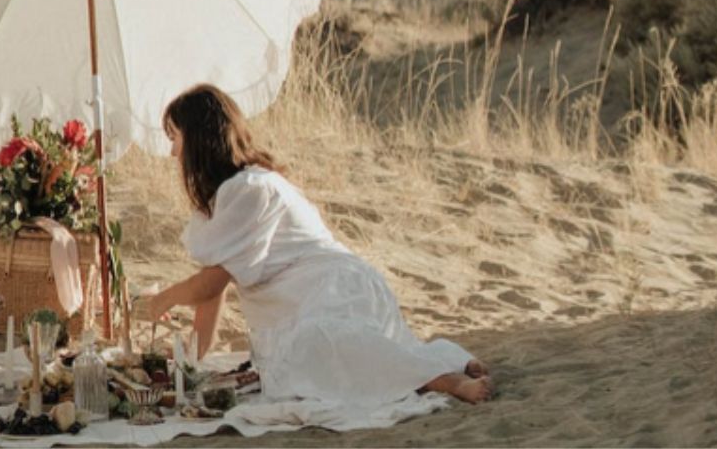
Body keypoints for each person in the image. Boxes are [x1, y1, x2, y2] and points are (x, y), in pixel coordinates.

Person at [140, 84, 492, 410]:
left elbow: (211, 283)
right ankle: (447, 361)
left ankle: (442, 378)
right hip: (307, 302)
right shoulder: (225, 199)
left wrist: (161, 300)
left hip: (335, 290)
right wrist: (190, 363)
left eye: (175, 137)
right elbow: (212, 290)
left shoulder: (250, 189)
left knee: (317, 347)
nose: (172, 151)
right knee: (299, 365)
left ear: (199, 139)